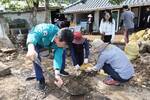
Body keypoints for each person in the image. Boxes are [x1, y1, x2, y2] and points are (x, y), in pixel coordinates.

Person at [26, 23, 74, 90]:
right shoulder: (45, 29)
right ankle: (41, 79)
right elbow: (33, 34)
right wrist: (31, 47)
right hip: (38, 42)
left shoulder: (61, 43)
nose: (65, 46)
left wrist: (57, 74)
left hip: (51, 43)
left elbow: (58, 57)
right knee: (35, 58)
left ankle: (60, 70)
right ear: (57, 38)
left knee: (62, 52)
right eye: (64, 44)